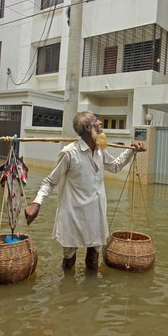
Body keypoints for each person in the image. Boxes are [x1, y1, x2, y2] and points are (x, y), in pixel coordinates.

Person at [24, 111, 146, 271]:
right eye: (96, 120)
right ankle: (68, 291)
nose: (100, 123)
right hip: (73, 215)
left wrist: (132, 150)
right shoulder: (69, 153)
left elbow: (115, 166)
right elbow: (50, 181)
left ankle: (92, 294)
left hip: (96, 213)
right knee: (69, 261)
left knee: (93, 261)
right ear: (88, 127)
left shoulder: (100, 150)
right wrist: (36, 203)